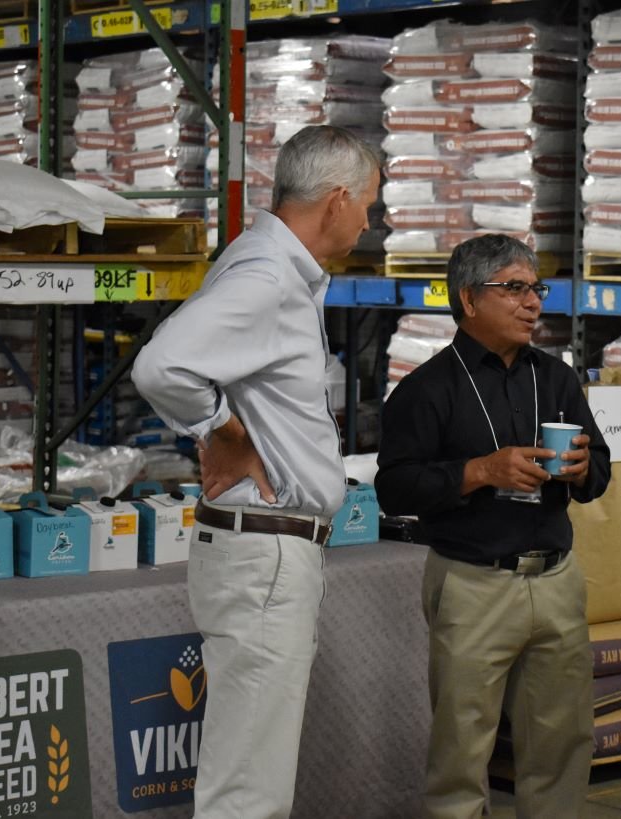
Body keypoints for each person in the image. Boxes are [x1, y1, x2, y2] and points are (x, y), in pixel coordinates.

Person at [131, 125, 380, 819]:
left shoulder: (267, 263)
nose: (369, 220)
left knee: (248, 773)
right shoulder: (269, 277)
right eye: (367, 203)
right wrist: (222, 429)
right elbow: (160, 365)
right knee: (249, 791)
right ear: (336, 200)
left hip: (259, 550)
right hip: (264, 553)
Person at [375, 234, 611, 819]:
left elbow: (600, 468)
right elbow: (395, 488)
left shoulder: (555, 379)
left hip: (556, 582)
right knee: (461, 755)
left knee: (561, 748)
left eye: (537, 289)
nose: (533, 303)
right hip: (473, 586)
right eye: (515, 288)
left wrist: (583, 469)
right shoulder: (426, 389)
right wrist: (480, 471)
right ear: (469, 300)